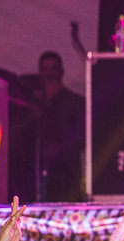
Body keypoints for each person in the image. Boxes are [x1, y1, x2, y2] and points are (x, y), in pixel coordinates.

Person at [35, 51, 85, 202]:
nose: (50, 73)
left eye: (54, 68)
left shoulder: (75, 102)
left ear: (61, 71)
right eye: (45, 69)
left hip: (67, 176)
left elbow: (81, 138)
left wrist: (58, 150)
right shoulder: (34, 104)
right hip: (38, 176)